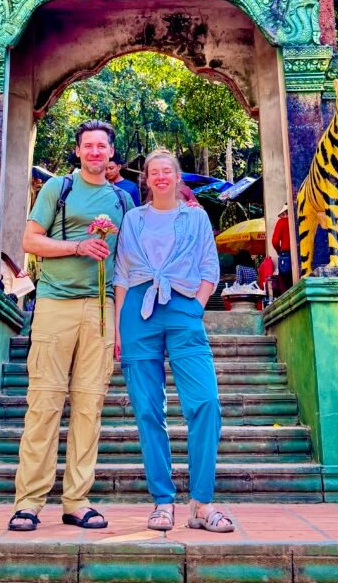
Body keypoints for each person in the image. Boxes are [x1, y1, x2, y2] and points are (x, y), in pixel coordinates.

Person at [8, 120, 134, 533]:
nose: (95, 152)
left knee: (89, 406)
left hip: (101, 309)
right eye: (88, 146)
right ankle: (28, 503)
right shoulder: (58, 189)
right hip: (55, 303)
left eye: (102, 146)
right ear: (78, 151)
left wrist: (121, 324)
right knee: (44, 403)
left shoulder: (123, 199)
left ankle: (77, 501)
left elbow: (128, 262)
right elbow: (30, 241)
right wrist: (77, 246)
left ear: (111, 153)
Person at [114, 148, 234, 534]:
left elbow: (209, 266)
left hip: (183, 307)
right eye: (155, 172)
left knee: (206, 403)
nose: (162, 176)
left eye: (168, 171)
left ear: (177, 177)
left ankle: (201, 502)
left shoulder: (195, 217)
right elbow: (121, 275)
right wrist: (117, 327)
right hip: (138, 311)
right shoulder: (133, 218)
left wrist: (196, 306)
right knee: (148, 410)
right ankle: (162, 502)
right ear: (146, 180)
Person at [270, 203, 292, 296]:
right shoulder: (297, 221)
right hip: (299, 254)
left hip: (285, 254)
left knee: (284, 284)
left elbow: (275, 241)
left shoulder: (281, 222)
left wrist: (279, 251)